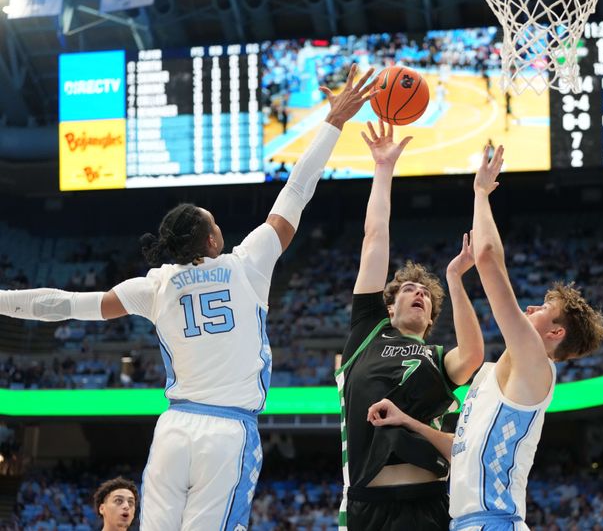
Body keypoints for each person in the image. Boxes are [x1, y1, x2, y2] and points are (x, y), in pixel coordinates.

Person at [0, 63, 377, 531]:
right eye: (215, 223)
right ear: (212, 242)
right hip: (226, 430)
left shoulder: (153, 286)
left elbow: (64, 304)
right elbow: (297, 189)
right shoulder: (247, 263)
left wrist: (3, 300)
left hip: (174, 427)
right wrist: (334, 121)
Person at [367, 145, 603, 530]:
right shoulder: (489, 374)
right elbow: (463, 451)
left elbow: (488, 258)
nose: (531, 309)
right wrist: (409, 422)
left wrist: (481, 192)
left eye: (543, 308)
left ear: (555, 333)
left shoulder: (535, 362)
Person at [336, 120, 484, 530]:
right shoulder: (367, 332)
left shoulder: (436, 357)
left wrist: (454, 278)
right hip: (369, 504)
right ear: (389, 306)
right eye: (409, 290)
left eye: (425, 294)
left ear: (432, 317)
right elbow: (374, 238)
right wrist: (383, 169)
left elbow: (473, 355)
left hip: (429, 501)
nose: (418, 293)